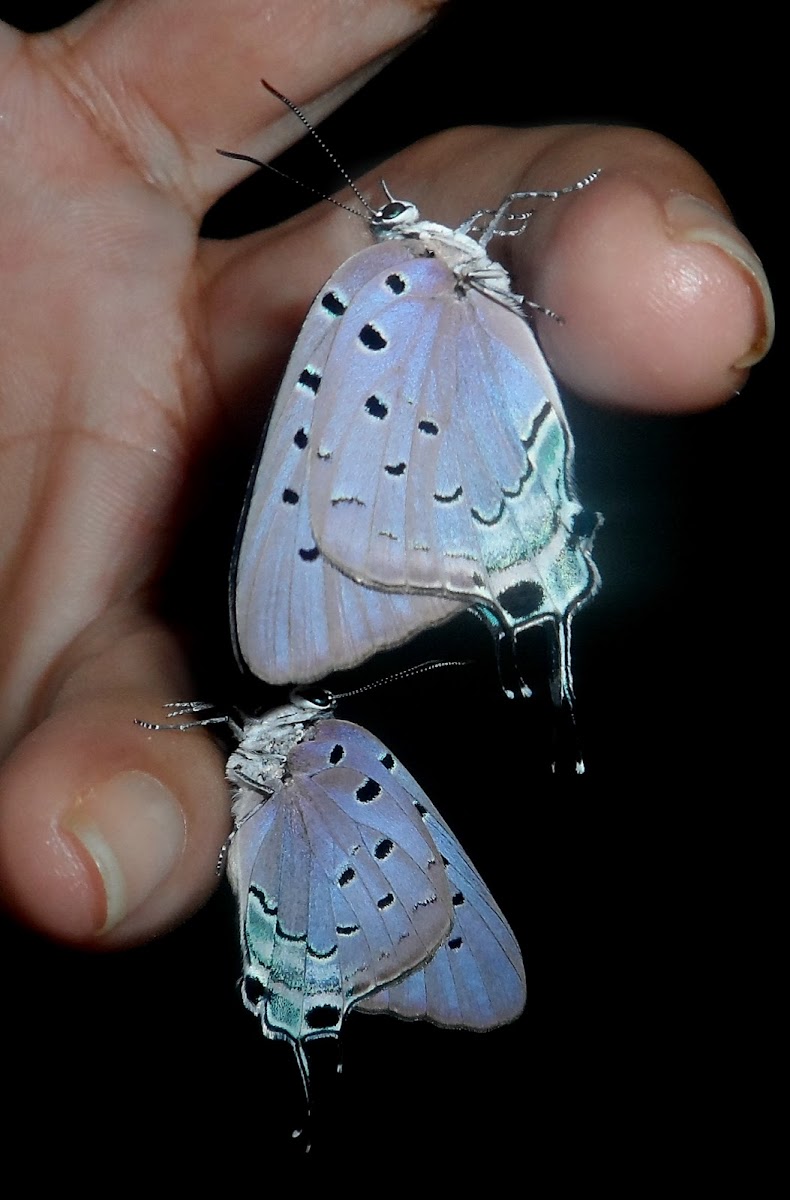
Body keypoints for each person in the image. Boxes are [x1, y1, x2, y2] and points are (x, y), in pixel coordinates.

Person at [0, 0, 773, 951]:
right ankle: (546, 651)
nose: (397, 222)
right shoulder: (380, 281)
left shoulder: (389, 281)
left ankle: (544, 647)